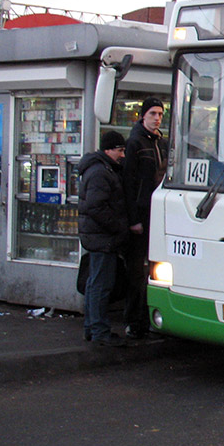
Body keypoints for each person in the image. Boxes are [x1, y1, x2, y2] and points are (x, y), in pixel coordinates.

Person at [78, 131, 130, 347]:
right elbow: (96, 206)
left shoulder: (98, 169)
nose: (123, 155)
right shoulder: (101, 172)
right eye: (120, 150)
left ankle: (93, 328)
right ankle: (99, 331)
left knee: (95, 283)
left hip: (97, 235)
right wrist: (118, 227)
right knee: (101, 284)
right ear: (108, 150)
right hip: (103, 237)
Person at [123, 97, 168, 339]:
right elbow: (129, 184)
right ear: (143, 116)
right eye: (153, 113)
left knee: (154, 269)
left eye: (160, 114)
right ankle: (133, 320)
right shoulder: (136, 143)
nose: (157, 118)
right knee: (137, 271)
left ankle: (148, 316)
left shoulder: (160, 142)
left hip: (156, 213)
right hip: (141, 213)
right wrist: (133, 219)